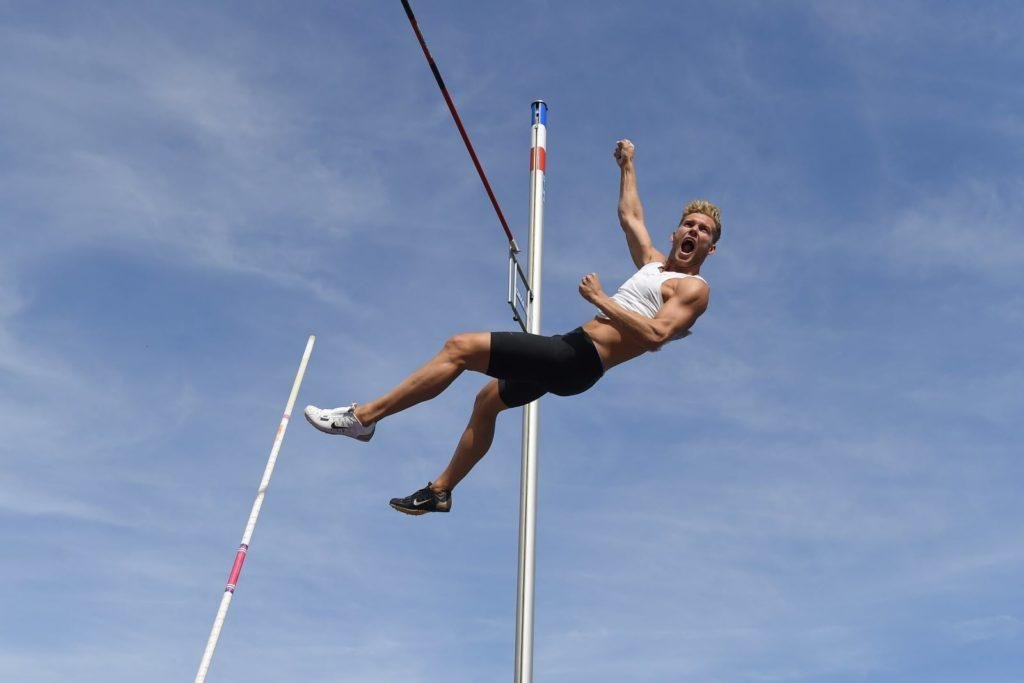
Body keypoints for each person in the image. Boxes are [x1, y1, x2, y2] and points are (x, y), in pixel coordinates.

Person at [305, 139, 721, 515]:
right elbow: (630, 215)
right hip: (570, 350)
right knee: (487, 401)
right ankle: (441, 491)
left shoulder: (692, 288)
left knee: (459, 347)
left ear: (710, 248)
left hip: (579, 361)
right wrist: (627, 165)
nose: (694, 231)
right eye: (690, 224)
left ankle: (364, 417)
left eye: (703, 231)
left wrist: (602, 301)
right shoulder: (652, 263)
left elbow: (655, 337)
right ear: (675, 232)